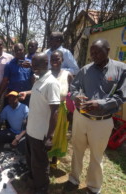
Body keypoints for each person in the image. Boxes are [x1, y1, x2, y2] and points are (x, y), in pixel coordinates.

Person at [64, 39, 126, 194]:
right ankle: (73, 179)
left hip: (102, 121)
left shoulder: (121, 70)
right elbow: (74, 87)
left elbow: (121, 96)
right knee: (77, 150)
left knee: (96, 156)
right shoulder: (85, 70)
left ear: (108, 50)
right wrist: (76, 97)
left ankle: (93, 186)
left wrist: (100, 104)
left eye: (97, 52)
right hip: (81, 118)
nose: (94, 55)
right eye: (92, 52)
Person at [20, 53, 60, 193]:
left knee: (40, 164)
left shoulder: (51, 83)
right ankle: (33, 181)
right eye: (33, 64)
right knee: (31, 160)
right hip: (31, 130)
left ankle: (42, 188)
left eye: (37, 64)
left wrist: (49, 136)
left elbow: (55, 111)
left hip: (41, 134)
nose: (33, 67)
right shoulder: (38, 79)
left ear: (45, 64)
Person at [48, 50, 73, 168]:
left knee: (58, 134)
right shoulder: (46, 74)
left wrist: (71, 111)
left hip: (61, 109)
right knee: (46, 132)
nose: (54, 61)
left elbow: (71, 93)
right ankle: (44, 156)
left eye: (57, 59)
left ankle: (54, 158)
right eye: (52, 59)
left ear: (62, 60)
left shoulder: (67, 75)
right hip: (47, 108)